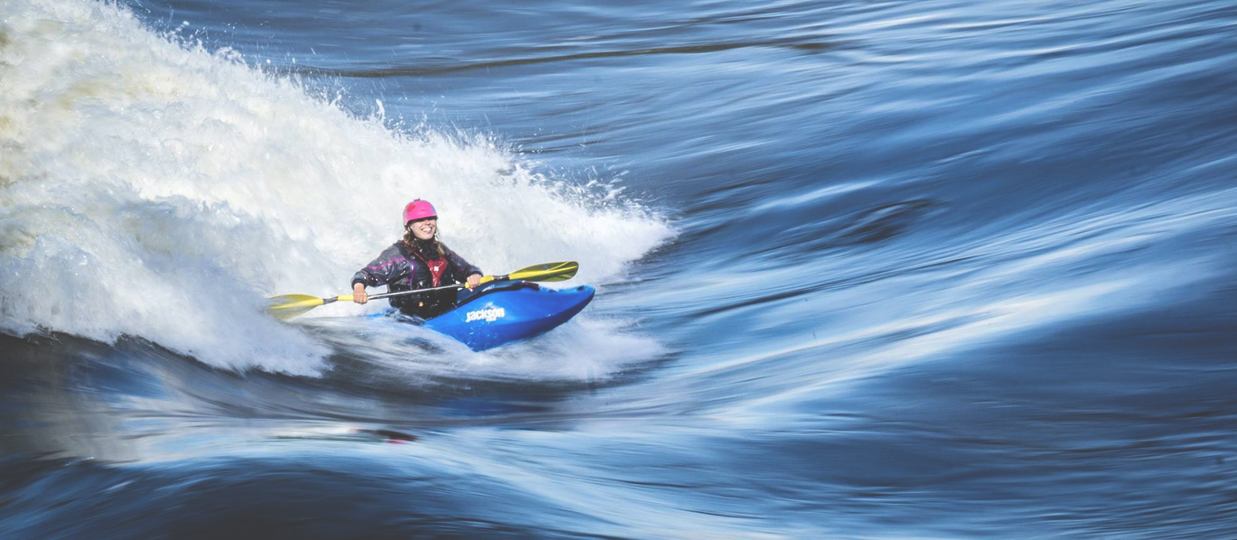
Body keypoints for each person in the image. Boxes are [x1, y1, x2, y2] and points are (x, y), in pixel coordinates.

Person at [351, 199, 483, 319]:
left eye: (430, 218)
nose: (427, 223)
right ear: (409, 226)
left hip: (446, 314)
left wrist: (474, 275)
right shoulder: (398, 255)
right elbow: (364, 275)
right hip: (412, 323)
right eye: (420, 220)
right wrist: (359, 289)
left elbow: (467, 269)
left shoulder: (440, 250)